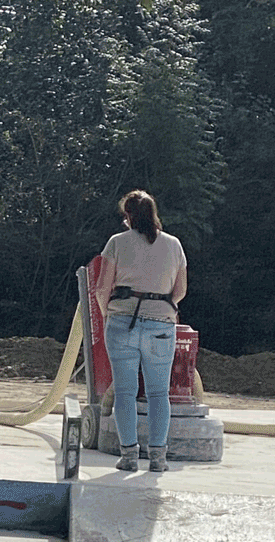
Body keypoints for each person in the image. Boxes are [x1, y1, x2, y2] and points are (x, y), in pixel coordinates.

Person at [94, 190, 187, 473]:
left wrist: (108, 314)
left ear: (128, 216)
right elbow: (180, 291)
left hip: (122, 321)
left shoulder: (117, 243)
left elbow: (101, 289)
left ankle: (129, 456)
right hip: (161, 325)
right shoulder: (174, 245)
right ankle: (158, 458)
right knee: (159, 394)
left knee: (125, 392)